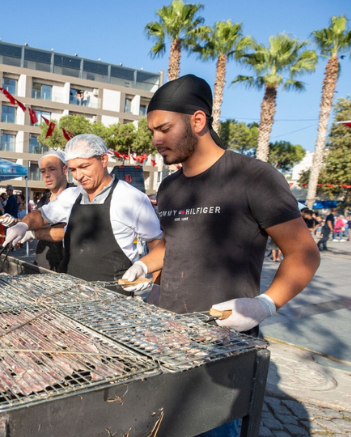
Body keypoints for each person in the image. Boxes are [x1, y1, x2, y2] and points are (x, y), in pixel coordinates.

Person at [123, 74, 320, 436]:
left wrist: (265, 304)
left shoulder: (253, 177)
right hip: (169, 339)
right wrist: (144, 266)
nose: (156, 140)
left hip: (224, 348)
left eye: (164, 129)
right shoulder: (169, 187)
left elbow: (304, 253)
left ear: (198, 121)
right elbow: (172, 248)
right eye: (152, 131)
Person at [5, 134, 161, 295]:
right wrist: (23, 225)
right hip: (70, 291)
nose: (78, 176)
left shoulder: (132, 198)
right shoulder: (71, 196)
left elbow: (156, 243)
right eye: (73, 169)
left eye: (84, 166)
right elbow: (42, 215)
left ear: (104, 159)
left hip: (113, 296)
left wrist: (156, 288)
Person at [3, 150, 75, 271]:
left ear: (64, 170)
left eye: (52, 169)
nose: (47, 175)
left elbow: (68, 231)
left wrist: (32, 233)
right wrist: (17, 223)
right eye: (43, 171)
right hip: (41, 263)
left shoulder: (75, 195)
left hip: (65, 267)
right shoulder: (44, 199)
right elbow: (39, 223)